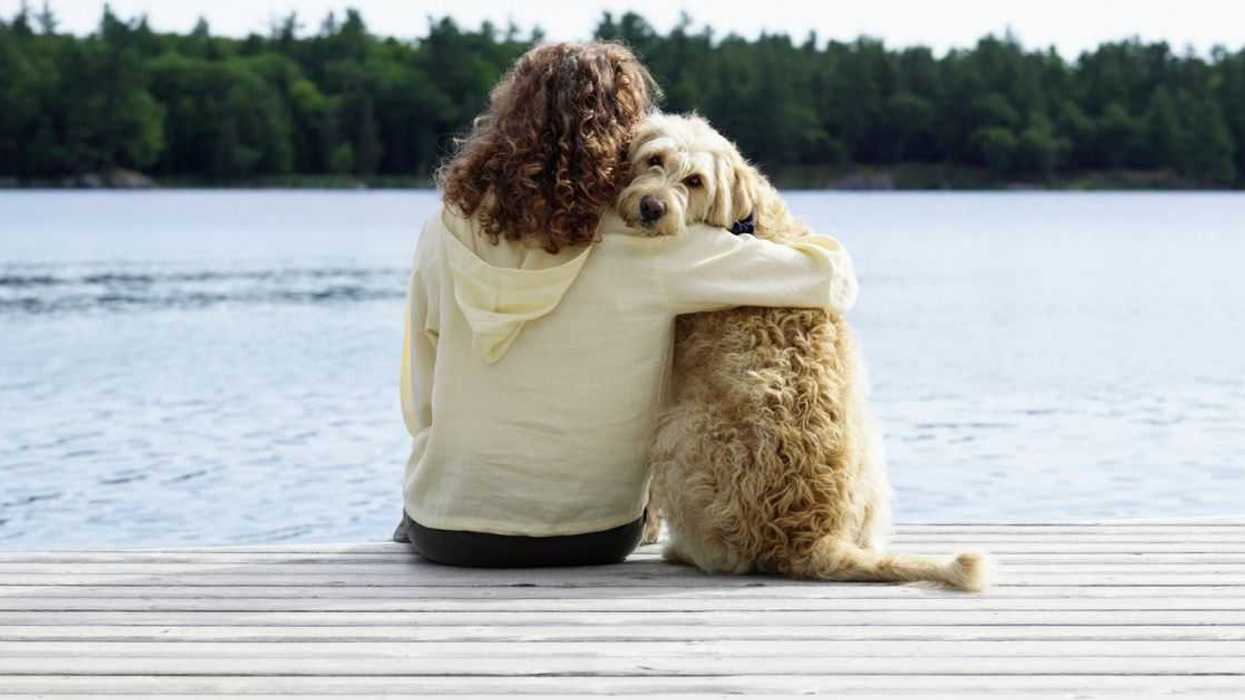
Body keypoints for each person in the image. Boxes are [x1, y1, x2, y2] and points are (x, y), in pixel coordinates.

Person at [393, 42, 858, 567]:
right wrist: (750, 211)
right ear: (620, 138)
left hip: (446, 530)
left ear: (505, 118)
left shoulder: (443, 228)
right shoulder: (655, 246)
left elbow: (419, 395)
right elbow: (831, 278)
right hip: (593, 534)